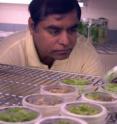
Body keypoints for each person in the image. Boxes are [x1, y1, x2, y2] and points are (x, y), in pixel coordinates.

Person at [0, 0, 105, 76]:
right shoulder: (6, 55)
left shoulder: (85, 51)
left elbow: (99, 97)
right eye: (54, 31)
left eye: (72, 30)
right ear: (32, 26)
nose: (66, 41)